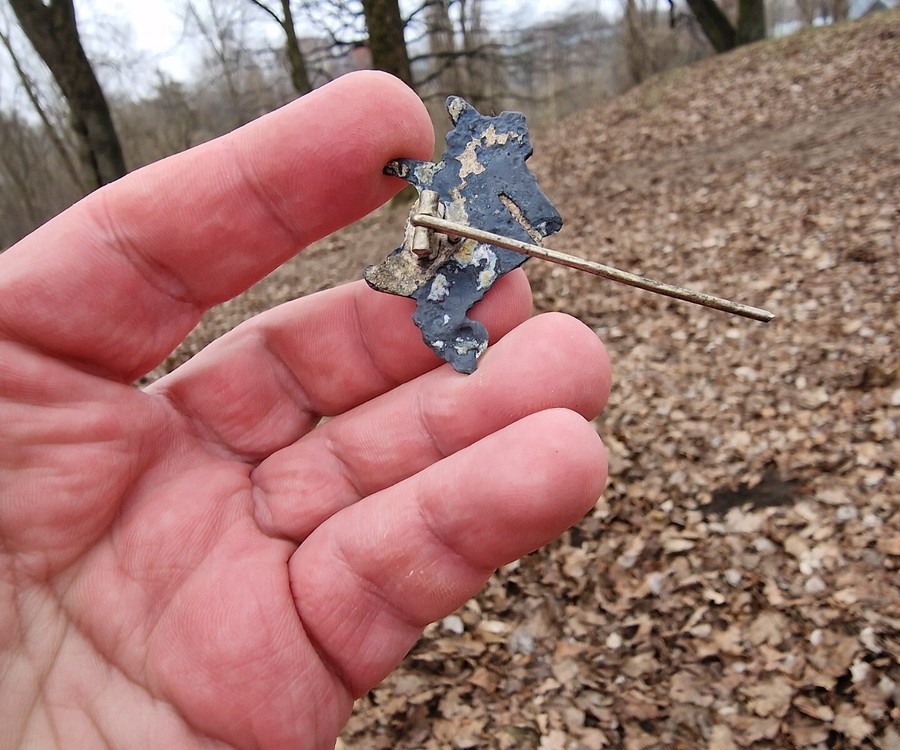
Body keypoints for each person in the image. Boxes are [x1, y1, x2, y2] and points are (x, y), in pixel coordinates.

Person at [0, 72, 611, 748]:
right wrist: (412, 175)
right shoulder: (456, 169)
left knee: (480, 274)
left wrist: (539, 222)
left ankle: (452, 310)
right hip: (447, 247)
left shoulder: (496, 166)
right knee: (450, 283)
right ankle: (447, 320)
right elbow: (432, 177)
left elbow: (532, 204)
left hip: (484, 246)